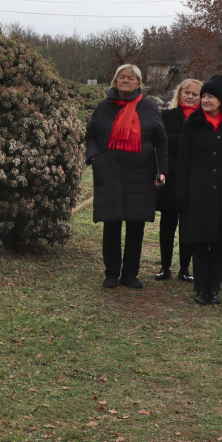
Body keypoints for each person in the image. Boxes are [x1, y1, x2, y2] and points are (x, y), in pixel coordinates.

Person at [86, 64, 168, 289]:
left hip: (141, 174)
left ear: (139, 83)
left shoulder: (149, 108)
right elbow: (91, 135)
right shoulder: (103, 107)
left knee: (136, 226)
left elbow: (161, 142)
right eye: (121, 77)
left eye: (131, 78)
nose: (126, 81)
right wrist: (94, 158)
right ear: (115, 81)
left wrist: (162, 171)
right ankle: (111, 273)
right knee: (111, 225)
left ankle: (130, 274)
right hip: (110, 171)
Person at [177, 75, 222, 304]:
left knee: (220, 242)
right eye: (203, 96)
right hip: (198, 191)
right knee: (199, 241)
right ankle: (200, 289)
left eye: (210, 96)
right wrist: (182, 191)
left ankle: (215, 288)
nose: (205, 100)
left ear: (221, 100)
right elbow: (183, 161)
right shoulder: (192, 123)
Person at [154, 79, 201, 282]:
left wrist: (178, 140)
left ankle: (185, 268)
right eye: (186, 93)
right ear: (179, 94)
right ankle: (165, 266)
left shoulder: (204, 119)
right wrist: (185, 140)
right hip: (170, 178)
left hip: (194, 179)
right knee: (167, 225)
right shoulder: (167, 115)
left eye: (195, 94)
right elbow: (161, 142)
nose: (190, 97)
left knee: (188, 226)